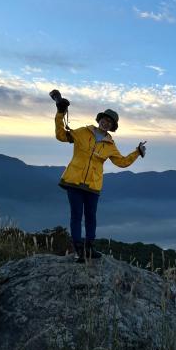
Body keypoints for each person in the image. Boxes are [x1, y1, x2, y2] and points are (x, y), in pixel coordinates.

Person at [52, 92, 146, 263]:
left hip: (93, 185)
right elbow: (60, 135)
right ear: (100, 119)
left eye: (109, 122)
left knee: (91, 217)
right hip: (74, 181)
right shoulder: (83, 132)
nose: (106, 122)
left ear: (112, 126)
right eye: (104, 119)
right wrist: (60, 113)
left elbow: (122, 162)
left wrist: (137, 152)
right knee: (76, 215)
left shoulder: (110, 144)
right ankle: (79, 250)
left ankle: (89, 248)